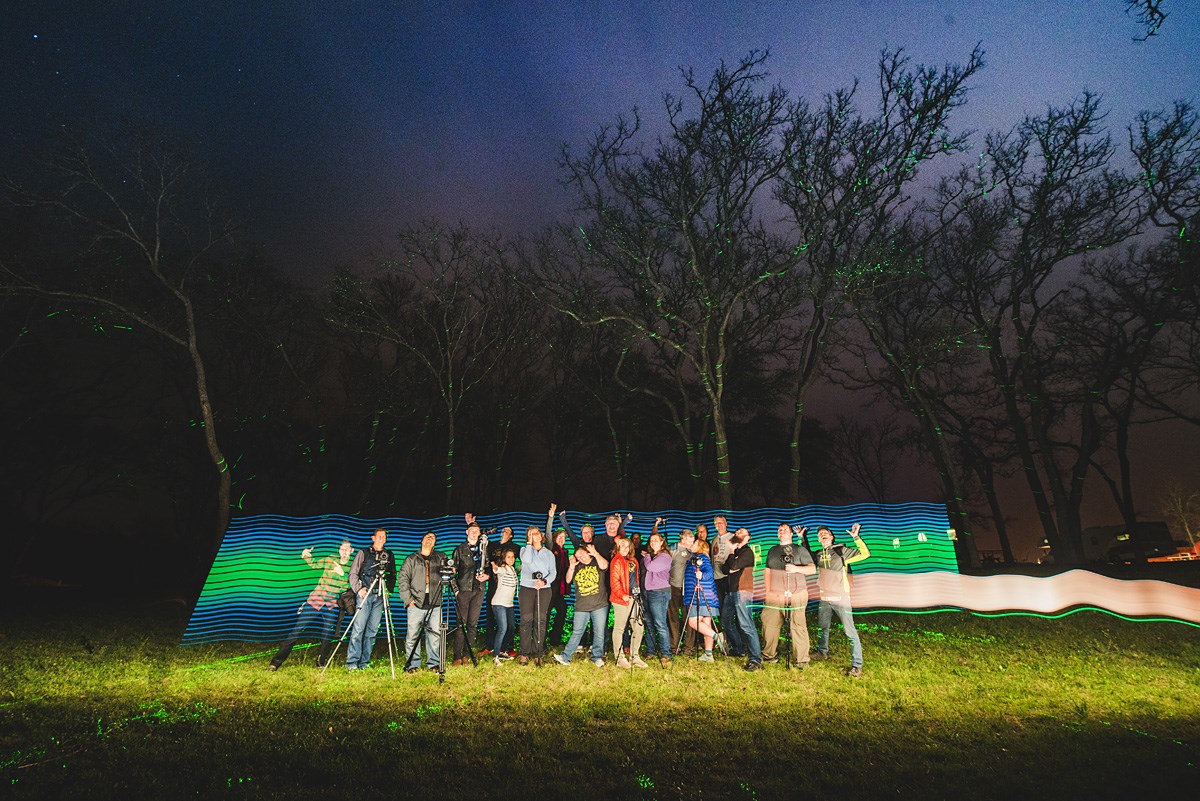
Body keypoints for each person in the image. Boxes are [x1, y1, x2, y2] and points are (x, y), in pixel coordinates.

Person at [270, 539, 354, 670]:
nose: (344, 552)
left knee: (327, 635)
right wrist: (306, 555)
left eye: (347, 549)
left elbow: (348, 587)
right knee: (296, 631)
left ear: (352, 551)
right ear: (339, 550)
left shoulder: (352, 567)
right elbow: (314, 564)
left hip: (331, 605)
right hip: (315, 601)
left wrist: (342, 574)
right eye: (342, 549)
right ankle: (275, 663)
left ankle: (321, 662)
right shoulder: (330, 560)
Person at [812, 523, 870, 677]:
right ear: (818, 539)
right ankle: (822, 652)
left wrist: (856, 537)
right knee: (822, 628)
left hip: (841, 598)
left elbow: (865, 554)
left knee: (850, 631)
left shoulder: (841, 551)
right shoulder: (818, 554)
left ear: (831, 536)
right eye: (820, 534)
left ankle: (857, 664)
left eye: (826, 532)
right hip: (824, 599)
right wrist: (801, 537)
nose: (823, 534)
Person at [762, 524, 816, 667]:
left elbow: (812, 569)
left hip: (797, 593)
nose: (782, 532)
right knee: (769, 624)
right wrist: (768, 591)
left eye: (785, 530)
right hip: (775, 594)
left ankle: (801, 659)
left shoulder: (800, 550)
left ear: (791, 533)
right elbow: (767, 571)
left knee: (797, 626)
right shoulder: (772, 550)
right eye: (779, 530)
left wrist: (796, 568)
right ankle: (769, 655)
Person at [345, 528, 397, 671]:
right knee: (358, 629)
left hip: (380, 596)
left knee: (372, 631)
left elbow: (392, 574)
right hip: (365, 594)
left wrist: (389, 590)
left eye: (384, 536)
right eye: (379, 536)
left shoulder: (389, 555)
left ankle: (364, 662)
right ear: (373, 538)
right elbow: (353, 573)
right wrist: (359, 589)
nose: (381, 538)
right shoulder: (364, 553)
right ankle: (352, 662)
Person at [398, 531, 450, 673]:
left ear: (435, 543)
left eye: (433, 538)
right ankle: (412, 665)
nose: (430, 539)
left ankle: (433, 664)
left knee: (434, 635)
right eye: (427, 537)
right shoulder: (411, 559)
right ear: (422, 541)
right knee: (413, 636)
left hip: (435, 602)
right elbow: (403, 578)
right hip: (416, 603)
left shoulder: (440, 557)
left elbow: (448, 574)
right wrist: (408, 599)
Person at [554, 541, 610, 667]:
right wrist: (572, 566)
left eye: (582, 554)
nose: (581, 557)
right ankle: (565, 656)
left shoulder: (596, 561)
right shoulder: (577, 566)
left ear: (588, 553)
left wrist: (595, 553)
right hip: (581, 606)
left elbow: (605, 565)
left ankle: (596, 657)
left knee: (599, 632)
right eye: (578, 556)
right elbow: (568, 580)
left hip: (599, 605)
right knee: (577, 631)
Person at [450, 515, 491, 666]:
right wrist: (456, 590)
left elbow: (488, 568)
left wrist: (487, 576)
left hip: (478, 590)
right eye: (472, 530)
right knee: (461, 624)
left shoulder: (484, 549)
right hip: (463, 590)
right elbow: (452, 572)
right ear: (467, 532)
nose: (474, 533)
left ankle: (468, 655)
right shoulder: (459, 549)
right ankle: (457, 656)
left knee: (473, 624)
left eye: (477, 531)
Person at [722, 527, 763, 672]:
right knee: (725, 621)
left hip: (743, 591)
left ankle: (755, 659)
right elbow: (724, 569)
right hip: (731, 591)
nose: (737, 533)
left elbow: (733, 565)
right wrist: (732, 563)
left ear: (748, 537)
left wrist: (731, 554)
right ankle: (738, 648)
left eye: (741, 532)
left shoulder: (747, 552)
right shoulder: (736, 552)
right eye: (737, 532)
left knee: (746, 624)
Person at [517, 525, 556, 665]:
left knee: (540, 620)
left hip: (544, 589)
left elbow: (553, 572)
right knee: (526, 619)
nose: (535, 536)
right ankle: (524, 653)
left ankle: (537, 652)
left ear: (541, 535)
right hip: (527, 588)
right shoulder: (524, 550)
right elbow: (526, 560)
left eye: (537, 533)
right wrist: (529, 544)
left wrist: (544, 581)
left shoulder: (549, 554)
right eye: (531, 534)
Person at [609, 535, 647, 668]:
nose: (625, 548)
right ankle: (620, 658)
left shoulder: (633, 560)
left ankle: (634, 656)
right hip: (621, 599)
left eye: (627, 546)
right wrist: (622, 595)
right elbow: (614, 581)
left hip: (634, 598)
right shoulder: (616, 561)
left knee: (639, 627)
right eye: (622, 545)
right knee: (619, 628)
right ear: (618, 547)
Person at [682, 538, 720, 662]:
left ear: (700, 546)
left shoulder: (701, 557)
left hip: (701, 595)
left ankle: (717, 637)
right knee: (706, 623)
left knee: (693, 622)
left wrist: (702, 575)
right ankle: (708, 654)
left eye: (695, 543)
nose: (692, 544)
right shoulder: (695, 557)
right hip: (706, 595)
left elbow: (709, 573)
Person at [710, 515, 744, 658]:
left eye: (721, 522)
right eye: (716, 523)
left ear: (726, 523)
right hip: (716, 579)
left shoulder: (732, 537)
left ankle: (740, 645)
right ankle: (728, 643)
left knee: (732, 613)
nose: (719, 525)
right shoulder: (713, 540)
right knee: (722, 613)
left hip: (729, 578)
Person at [641, 521, 673, 665]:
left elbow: (651, 567)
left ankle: (666, 653)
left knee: (660, 623)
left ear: (662, 542)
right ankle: (651, 650)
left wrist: (647, 556)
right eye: (651, 540)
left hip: (659, 593)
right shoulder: (652, 555)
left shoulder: (664, 556)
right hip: (648, 592)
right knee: (649, 623)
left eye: (656, 540)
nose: (653, 542)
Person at [485, 526, 520, 656]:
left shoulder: (515, 547)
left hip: (508, 594)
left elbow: (525, 558)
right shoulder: (492, 545)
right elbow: (496, 568)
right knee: (491, 617)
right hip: (494, 585)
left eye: (508, 530)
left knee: (510, 625)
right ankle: (491, 646)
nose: (505, 531)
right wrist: (493, 569)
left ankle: (507, 648)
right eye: (503, 530)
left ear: (511, 535)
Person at [668, 528, 698, 656]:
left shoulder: (693, 552)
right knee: (673, 617)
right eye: (689, 541)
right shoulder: (672, 549)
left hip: (689, 588)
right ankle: (674, 646)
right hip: (674, 586)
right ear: (683, 539)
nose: (691, 544)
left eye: (692, 541)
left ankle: (688, 647)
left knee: (690, 617)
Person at [546, 512, 571, 648]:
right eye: (559, 537)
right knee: (546, 613)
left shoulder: (565, 552)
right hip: (550, 587)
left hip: (559, 590)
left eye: (563, 537)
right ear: (555, 538)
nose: (561, 539)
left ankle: (555, 640)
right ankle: (541, 641)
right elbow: (547, 534)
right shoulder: (551, 548)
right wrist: (551, 517)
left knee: (562, 610)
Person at [489, 548, 518, 665]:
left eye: (513, 557)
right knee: (503, 628)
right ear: (504, 559)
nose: (511, 559)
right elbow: (498, 570)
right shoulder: (504, 568)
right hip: (499, 603)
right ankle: (496, 656)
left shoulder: (512, 569)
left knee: (511, 628)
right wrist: (495, 567)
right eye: (508, 557)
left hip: (509, 604)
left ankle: (502, 651)